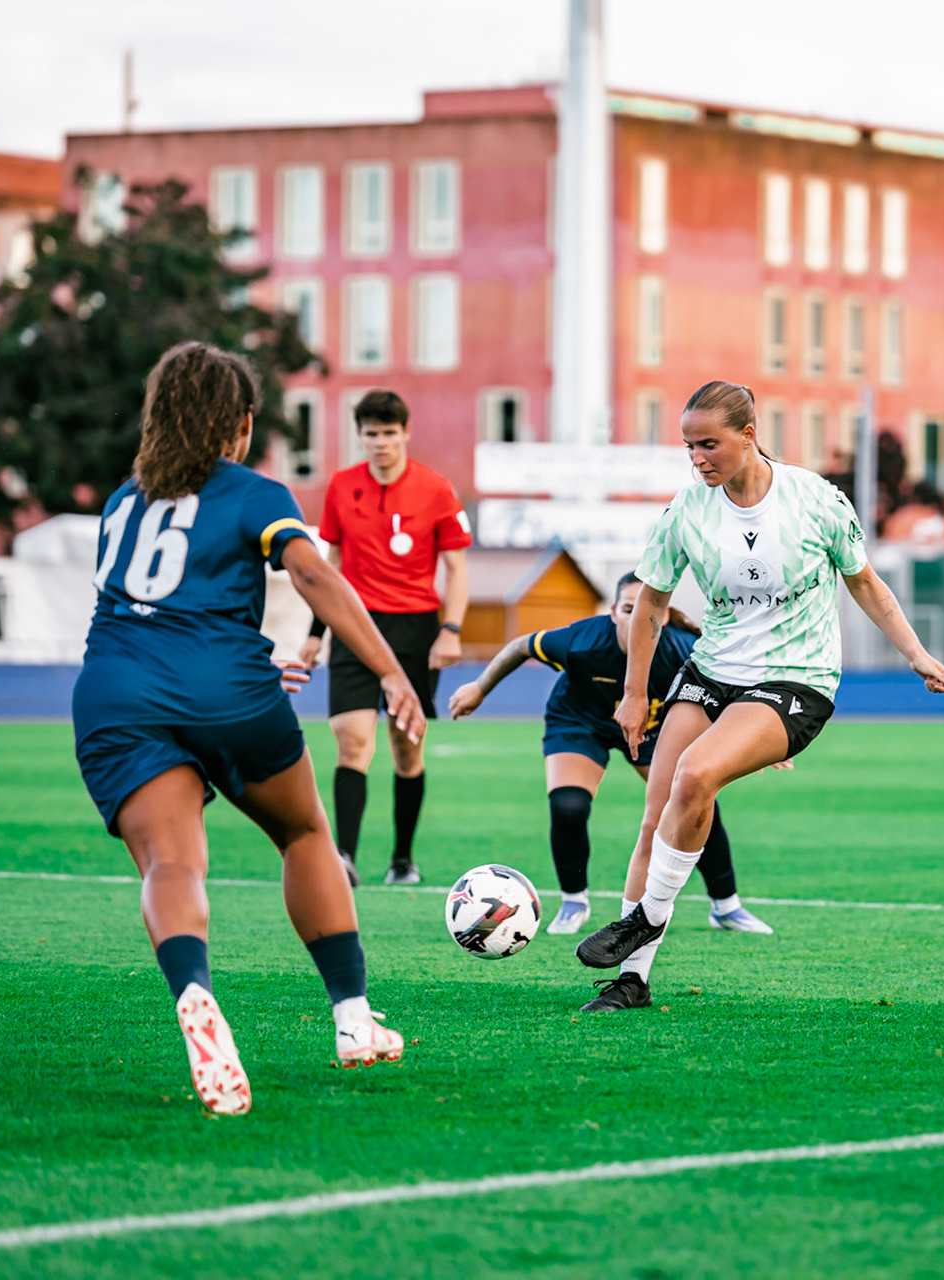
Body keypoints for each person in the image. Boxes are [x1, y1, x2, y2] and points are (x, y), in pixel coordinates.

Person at [72, 342, 417, 1115]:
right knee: (303, 833)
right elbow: (314, 575)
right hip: (226, 691)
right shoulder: (252, 492)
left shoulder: (122, 501)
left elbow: (160, 607)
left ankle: (194, 992)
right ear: (240, 424)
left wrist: (243, 655)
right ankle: (354, 1020)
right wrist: (391, 672)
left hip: (114, 695)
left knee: (172, 861)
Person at [571, 380, 944, 1012]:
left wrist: (915, 654)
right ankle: (631, 980)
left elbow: (866, 584)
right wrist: (635, 694)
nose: (698, 459)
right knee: (656, 810)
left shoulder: (817, 502)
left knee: (696, 774)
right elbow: (650, 605)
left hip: (794, 679)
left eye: (709, 444)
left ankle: (646, 915)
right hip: (712, 670)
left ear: (749, 435)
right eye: (689, 446)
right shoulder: (687, 511)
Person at [447, 572, 777, 938]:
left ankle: (726, 906)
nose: (636, 618)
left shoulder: (682, 648)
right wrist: (479, 688)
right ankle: (574, 902)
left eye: (646, 611)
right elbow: (520, 646)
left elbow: (734, 685)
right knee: (568, 806)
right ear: (612, 613)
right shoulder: (583, 640)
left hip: (651, 728)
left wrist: (762, 733)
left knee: (692, 801)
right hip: (580, 721)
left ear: (663, 616)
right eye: (627, 609)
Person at [298, 390, 471, 886]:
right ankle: (344, 858)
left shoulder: (436, 489)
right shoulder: (340, 487)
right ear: (360, 436)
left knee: (405, 747)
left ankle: (401, 859)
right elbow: (328, 567)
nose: (380, 443)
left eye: (389, 433)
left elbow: (456, 568)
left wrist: (451, 630)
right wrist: (315, 632)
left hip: (414, 629)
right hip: (354, 623)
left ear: (405, 434)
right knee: (352, 739)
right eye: (371, 433)